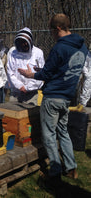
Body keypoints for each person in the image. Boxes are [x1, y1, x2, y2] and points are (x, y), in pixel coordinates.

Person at [18, 14, 88, 183]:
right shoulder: (82, 47)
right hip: (67, 97)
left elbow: (47, 74)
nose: (51, 34)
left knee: (49, 134)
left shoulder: (60, 47)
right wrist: (42, 69)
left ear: (57, 29)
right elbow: (63, 69)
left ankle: (55, 171)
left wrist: (30, 74)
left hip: (52, 97)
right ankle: (71, 168)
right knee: (63, 132)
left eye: (51, 30)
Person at [7, 27, 45, 105]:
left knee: (31, 116)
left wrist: (27, 88)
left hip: (31, 93)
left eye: (25, 42)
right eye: (21, 42)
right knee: (12, 115)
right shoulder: (12, 52)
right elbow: (10, 72)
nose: (23, 44)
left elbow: (40, 74)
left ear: (30, 41)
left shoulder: (38, 53)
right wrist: (20, 86)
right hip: (15, 92)